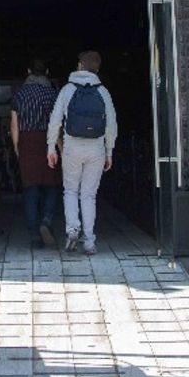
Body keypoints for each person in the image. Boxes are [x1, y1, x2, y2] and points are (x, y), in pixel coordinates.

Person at [46, 50, 117, 255]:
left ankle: (72, 230)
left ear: (79, 66)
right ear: (97, 68)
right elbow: (111, 125)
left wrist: (51, 147)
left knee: (70, 191)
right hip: (96, 148)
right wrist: (109, 151)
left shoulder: (68, 89)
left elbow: (55, 121)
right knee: (89, 195)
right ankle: (90, 241)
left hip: (72, 147)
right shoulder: (103, 92)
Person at [10, 58, 59, 249]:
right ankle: (46, 220)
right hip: (48, 141)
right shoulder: (51, 94)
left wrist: (16, 147)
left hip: (27, 142)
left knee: (30, 189)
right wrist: (59, 147)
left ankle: (33, 234)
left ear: (28, 71)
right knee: (52, 185)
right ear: (46, 72)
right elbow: (57, 123)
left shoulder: (20, 94)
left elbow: (14, 125)